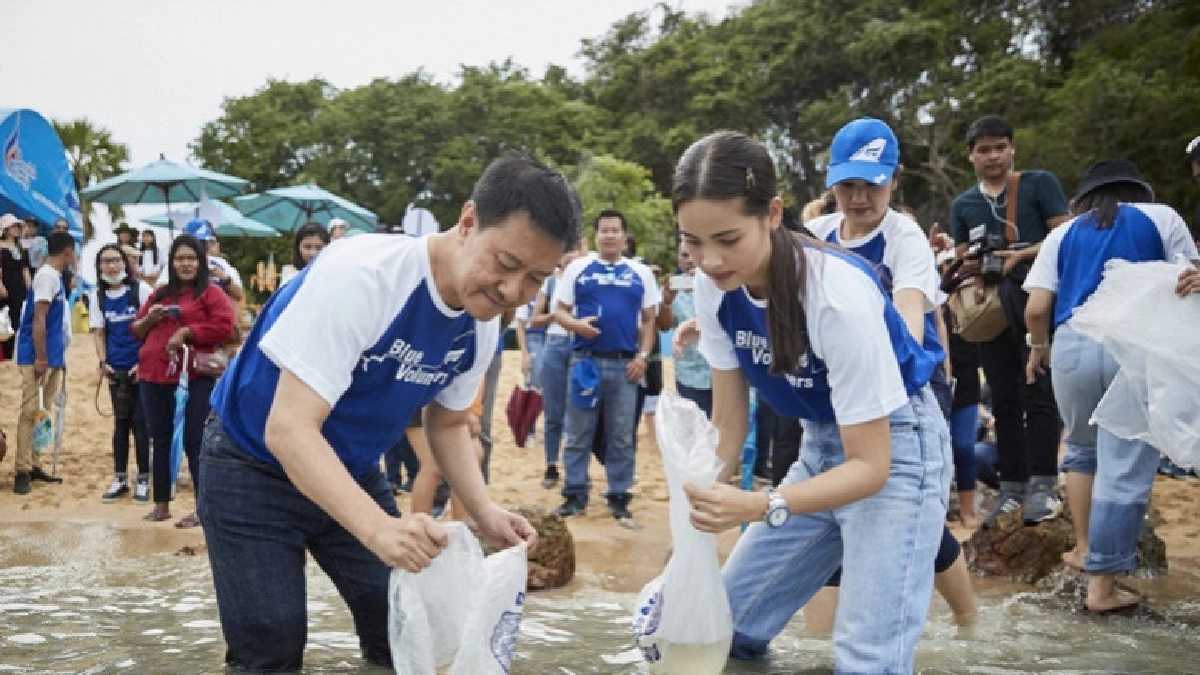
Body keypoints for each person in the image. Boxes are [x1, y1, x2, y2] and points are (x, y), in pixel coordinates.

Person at [199, 152, 580, 672]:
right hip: (250, 463)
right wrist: (379, 529)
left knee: (405, 629)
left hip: (350, 468)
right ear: (468, 221)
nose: (513, 292)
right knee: (271, 643)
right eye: (506, 264)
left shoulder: (482, 320)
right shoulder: (362, 277)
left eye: (535, 279)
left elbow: (447, 423)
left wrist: (485, 511)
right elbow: (288, 429)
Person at [676, 131, 949, 673]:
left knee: (867, 659)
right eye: (693, 243)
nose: (709, 260)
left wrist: (760, 504)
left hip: (897, 449)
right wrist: (692, 532)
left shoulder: (835, 295)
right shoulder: (713, 286)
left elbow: (872, 466)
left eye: (727, 239)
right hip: (820, 444)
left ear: (773, 214)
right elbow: (728, 423)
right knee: (719, 633)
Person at [805, 117, 974, 627]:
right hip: (838, 389)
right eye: (848, 185)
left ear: (894, 180)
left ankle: (968, 621)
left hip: (908, 385)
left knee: (909, 510)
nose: (859, 198)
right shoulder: (816, 236)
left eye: (872, 185)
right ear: (832, 184)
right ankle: (816, 645)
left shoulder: (904, 237)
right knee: (834, 509)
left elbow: (910, 317)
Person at [1023, 159, 1200, 612]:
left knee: (1082, 449)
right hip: (1133, 345)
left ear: (1083, 197)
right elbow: (1189, 280)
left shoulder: (1062, 233)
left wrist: (1038, 347)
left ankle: (1084, 549)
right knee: (1126, 459)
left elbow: (1036, 308)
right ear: (1141, 190)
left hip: (1071, 345)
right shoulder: (1163, 217)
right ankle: (1103, 587)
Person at [950, 114, 1071, 528]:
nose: (993, 156)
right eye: (983, 150)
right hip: (992, 307)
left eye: (1000, 147)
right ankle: (1012, 486)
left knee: (1039, 388)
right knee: (1003, 398)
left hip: (1036, 296)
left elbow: (1064, 236)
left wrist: (1021, 255)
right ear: (971, 156)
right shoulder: (964, 204)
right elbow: (964, 257)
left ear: (1012, 149)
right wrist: (971, 270)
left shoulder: (1038, 184)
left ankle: (1043, 483)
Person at [554, 209, 659, 522]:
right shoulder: (578, 269)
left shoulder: (640, 273)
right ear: (596, 235)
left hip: (626, 364)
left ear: (624, 237)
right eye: (604, 230)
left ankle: (619, 495)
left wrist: (643, 356)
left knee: (622, 434)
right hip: (584, 361)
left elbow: (650, 319)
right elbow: (559, 311)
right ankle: (574, 493)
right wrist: (576, 326)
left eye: (615, 230)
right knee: (578, 432)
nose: (609, 236)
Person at [131, 234, 236, 526]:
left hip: (193, 378)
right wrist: (151, 319)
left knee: (194, 441)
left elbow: (226, 326)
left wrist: (188, 332)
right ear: (172, 262)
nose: (185, 264)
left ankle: (201, 509)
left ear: (200, 261)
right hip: (153, 374)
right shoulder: (160, 293)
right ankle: (161, 505)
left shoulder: (212, 293)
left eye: (191, 258)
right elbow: (137, 330)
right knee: (160, 439)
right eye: (180, 259)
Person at [12, 232, 76, 495]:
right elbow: (39, 318)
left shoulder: (55, 277)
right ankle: (22, 470)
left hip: (52, 354)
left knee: (43, 411)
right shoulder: (47, 276)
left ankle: (35, 463)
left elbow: (58, 322)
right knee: (30, 411)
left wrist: (58, 356)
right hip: (37, 355)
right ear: (68, 252)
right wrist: (40, 358)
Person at [89, 243, 154, 502]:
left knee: (141, 424)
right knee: (120, 424)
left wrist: (144, 362)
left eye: (116, 260)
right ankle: (120, 479)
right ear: (99, 266)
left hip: (141, 368)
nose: (112, 266)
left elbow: (154, 329)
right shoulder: (98, 297)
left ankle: (143, 480)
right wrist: (103, 362)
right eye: (106, 261)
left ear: (124, 263)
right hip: (116, 370)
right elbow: (99, 332)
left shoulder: (141, 291)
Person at [531, 244, 586, 488]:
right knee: (553, 409)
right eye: (565, 252)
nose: (569, 256)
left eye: (574, 250)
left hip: (581, 345)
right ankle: (552, 464)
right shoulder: (551, 282)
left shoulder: (587, 280)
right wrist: (557, 316)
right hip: (555, 343)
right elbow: (535, 320)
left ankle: (577, 469)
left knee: (580, 412)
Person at [657, 245, 712, 416]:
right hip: (689, 373)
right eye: (685, 255)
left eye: (695, 255)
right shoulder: (673, 288)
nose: (690, 260)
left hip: (722, 371)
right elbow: (664, 326)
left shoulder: (720, 284)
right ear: (679, 260)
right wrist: (667, 303)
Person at [0, 214, 32, 361]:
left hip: (19, 288)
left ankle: (16, 354)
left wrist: (30, 290)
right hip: (5, 286)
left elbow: (25, 270)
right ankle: (5, 354)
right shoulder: (1, 247)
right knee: (5, 319)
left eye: (18, 226)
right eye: (14, 226)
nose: (17, 229)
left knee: (19, 318)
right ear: (6, 229)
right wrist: (1, 285)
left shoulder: (22, 248)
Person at [279, 221, 330, 286]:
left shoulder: (332, 275)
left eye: (319, 248)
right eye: (307, 247)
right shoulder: (290, 276)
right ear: (298, 248)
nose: (313, 253)